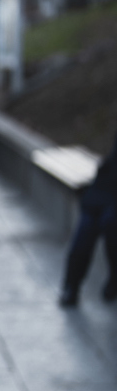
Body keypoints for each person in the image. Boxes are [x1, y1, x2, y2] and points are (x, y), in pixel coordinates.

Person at [59, 131, 117, 306]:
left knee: (110, 223)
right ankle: (71, 287)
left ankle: (114, 279)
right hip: (101, 193)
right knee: (85, 232)